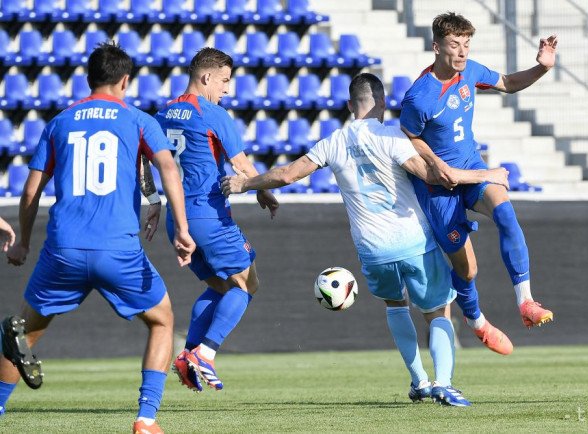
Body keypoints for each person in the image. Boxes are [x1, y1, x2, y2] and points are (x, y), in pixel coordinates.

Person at [222, 73, 510, 406]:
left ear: (349, 105)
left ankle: (419, 381)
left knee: (395, 306)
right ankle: (443, 383)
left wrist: (246, 184)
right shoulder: (394, 136)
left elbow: (287, 174)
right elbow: (432, 175)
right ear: (384, 104)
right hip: (414, 239)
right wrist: (482, 175)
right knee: (437, 311)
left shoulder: (333, 141)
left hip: (372, 249)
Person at [0, 42, 195, 434]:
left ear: (88, 79)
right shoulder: (138, 120)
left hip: (63, 250)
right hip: (118, 250)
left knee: (23, 330)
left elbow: (29, 193)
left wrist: (22, 241)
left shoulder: (59, 122)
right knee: (162, 321)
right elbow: (168, 168)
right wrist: (183, 229)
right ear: (125, 80)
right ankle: (146, 417)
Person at [399, 12, 554, 355]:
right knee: (468, 271)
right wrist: (434, 162)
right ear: (436, 46)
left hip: (470, 167)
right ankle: (474, 320)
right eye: (455, 45)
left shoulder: (469, 71)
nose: (462, 52)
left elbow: (508, 83)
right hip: (437, 189)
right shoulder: (419, 96)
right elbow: (408, 136)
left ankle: (526, 301)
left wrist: (542, 68)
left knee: (506, 214)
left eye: (467, 44)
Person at [155, 47, 279, 392]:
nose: (227, 89)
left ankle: (187, 355)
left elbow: (142, 162)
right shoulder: (211, 114)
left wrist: (152, 201)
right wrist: (263, 191)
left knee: (219, 286)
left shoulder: (161, 114)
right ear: (206, 77)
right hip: (208, 216)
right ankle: (205, 354)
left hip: (175, 218)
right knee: (246, 283)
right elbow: (241, 164)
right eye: (224, 81)